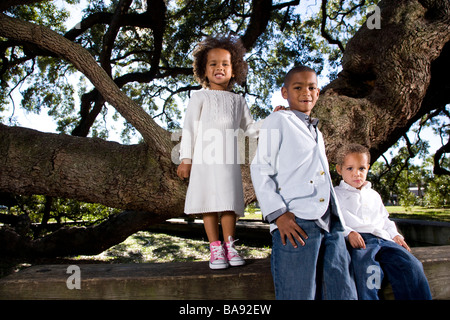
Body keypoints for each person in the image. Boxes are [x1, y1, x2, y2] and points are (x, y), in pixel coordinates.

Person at [250, 65, 356, 300]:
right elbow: (260, 168)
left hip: (331, 223)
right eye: (297, 87)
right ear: (285, 92)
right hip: (296, 223)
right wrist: (278, 215)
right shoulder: (278, 120)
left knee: (342, 293)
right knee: (299, 294)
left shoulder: (317, 131)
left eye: (311, 87)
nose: (305, 92)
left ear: (318, 93)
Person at [177, 35, 277, 270]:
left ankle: (231, 245)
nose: (219, 68)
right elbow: (189, 128)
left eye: (225, 64)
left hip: (228, 161)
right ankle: (215, 249)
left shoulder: (239, 101)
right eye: (213, 64)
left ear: (234, 71)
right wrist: (185, 159)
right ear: (204, 69)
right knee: (209, 204)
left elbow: (250, 130)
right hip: (204, 160)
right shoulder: (199, 97)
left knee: (230, 203)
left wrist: (272, 119)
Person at [334, 143, 432, 300]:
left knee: (411, 265)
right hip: (361, 243)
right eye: (350, 168)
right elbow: (334, 220)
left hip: (383, 240)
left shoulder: (373, 194)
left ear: (368, 168)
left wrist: (395, 235)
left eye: (361, 168)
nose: (357, 174)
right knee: (370, 273)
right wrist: (349, 233)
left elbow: (384, 219)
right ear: (339, 170)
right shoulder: (336, 195)